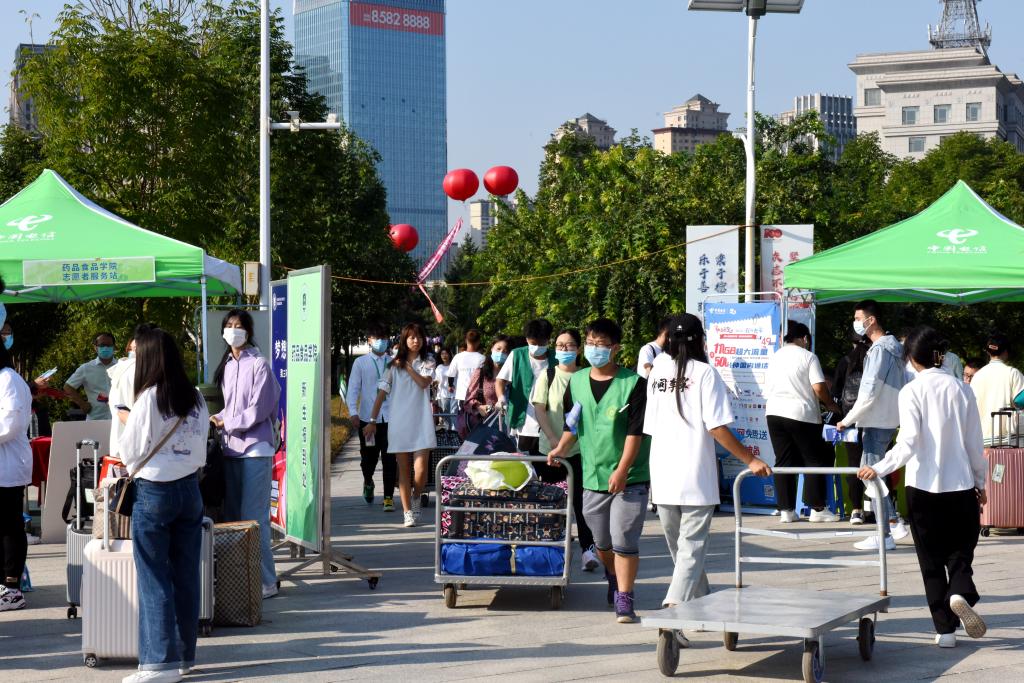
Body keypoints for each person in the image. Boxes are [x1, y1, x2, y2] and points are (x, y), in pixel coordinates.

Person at [858, 326, 987, 649]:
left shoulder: (911, 391)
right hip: (960, 485)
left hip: (921, 487)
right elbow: (975, 443)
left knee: (930, 561)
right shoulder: (962, 389)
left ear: (912, 358)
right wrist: (981, 482)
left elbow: (908, 443)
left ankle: (945, 631)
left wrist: (879, 467)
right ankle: (960, 592)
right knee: (960, 551)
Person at [643, 314, 771, 627]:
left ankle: (702, 605)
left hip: (662, 473)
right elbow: (717, 427)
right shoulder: (705, 373)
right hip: (695, 475)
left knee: (683, 550)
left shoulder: (656, 371)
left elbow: (650, 425)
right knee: (690, 549)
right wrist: (750, 460)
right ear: (701, 340)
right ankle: (675, 604)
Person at [117, 327, 208, 682]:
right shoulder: (195, 397)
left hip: (155, 490)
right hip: (190, 489)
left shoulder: (148, 397)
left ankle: (159, 663)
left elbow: (129, 450)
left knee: (154, 578)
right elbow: (200, 445)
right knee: (186, 575)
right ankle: (184, 657)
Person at [548, 318, 650, 624]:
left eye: (601, 344)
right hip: (592, 476)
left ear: (615, 348)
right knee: (602, 544)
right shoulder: (577, 381)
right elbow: (572, 424)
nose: (594, 349)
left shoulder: (633, 384)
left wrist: (622, 470)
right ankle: (613, 575)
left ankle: (625, 598)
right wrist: (560, 448)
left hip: (629, 478)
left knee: (624, 540)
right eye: (590, 343)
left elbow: (635, 434)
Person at [210, 310, 280, 599]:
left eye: (239, 326)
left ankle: (267, 582)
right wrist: (218, 417)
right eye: (228, 325)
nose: (233, 330)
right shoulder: (227, 365)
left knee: (254, 518)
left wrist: (227, 422)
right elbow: (231, 406)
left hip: (255, 449)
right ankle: (240, 580)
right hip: (231, 449)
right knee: (233, 517)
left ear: (249, 332)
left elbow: (259, 409)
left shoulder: (259, 364)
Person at [837, 300, 909, 550]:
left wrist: (847, 420)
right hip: (889, 418)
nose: (856, 323)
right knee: (874, 473)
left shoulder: (879, 350)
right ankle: (892, 522)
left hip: (876, 420)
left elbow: (868, 392)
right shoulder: (896, 348)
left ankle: (886, 532)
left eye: (858, 318)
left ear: (871, 320)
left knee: (870, 474)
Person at [531, 328, 599, 573]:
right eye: (559, 345)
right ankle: (552, 550)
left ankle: (588, 550)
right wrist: (553, 441)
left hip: (580, 450)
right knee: (552, 503)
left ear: (578, 349)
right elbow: (540, 409)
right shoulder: (548, 375)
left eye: (569, 345)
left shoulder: (587, 375)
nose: (564, 349)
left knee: (582, 503)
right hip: (549, 450)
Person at [765, 321, 842, 524]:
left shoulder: (775, 357)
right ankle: (817, 509)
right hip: (801, 414)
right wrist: (830, 404)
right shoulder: (808, 356)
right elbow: (819, 387)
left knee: (783, 461)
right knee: (814, 459)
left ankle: (786, 510)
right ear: (805, 338)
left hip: (773, 413)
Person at [364, 323, 437, 528]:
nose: (416, 340)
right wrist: (372, 421)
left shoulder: (428, 360)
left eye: (419, 337)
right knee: (403, 470)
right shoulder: (392, 366)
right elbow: (381, 394)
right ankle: (407, 512)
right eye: (411, 337)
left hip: (421, 421)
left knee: (421, 471)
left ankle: (416, 497)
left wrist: (407, 366)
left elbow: (424, 383)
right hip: (399, 423)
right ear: (404, 340)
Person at [346, 323, 396, 511]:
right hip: (367, 420)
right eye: (377, 338)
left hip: (390, 418)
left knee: (390, 458)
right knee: (369, 458)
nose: (381, 341)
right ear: (369, 340)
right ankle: (368, 480)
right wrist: (353, 412)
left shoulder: (394, 362)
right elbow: (353, 388)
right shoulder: (361, 362)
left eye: (384, 338)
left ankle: (388, 497)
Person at [0, 329, 32, 612]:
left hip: (8, 466)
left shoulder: (8, 378)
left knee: (9, 525)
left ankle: (12, 588)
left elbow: (11, 423)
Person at [496, 319, 555, 452]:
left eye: (541, 343)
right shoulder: (517, 355)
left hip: (552, 421)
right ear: (527, 339)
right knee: (526, 460)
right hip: (525, 420)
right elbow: (500, 380)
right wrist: (501, 397)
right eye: (533, 343)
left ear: (548, 340)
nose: (537, 347)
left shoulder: (556, 357)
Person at [832, 333, 872, 525]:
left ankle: (856, 510)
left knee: (854, 464)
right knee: (876, 464)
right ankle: (875, 508)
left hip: (850, 422)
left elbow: (836, 393)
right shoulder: (875, 362)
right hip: (874, 420)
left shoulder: (845, 362)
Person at [969, 332, 1024, 446]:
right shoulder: (1012, 373)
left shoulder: (977, 376)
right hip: (1009, 442)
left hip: (982, 441)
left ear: (988, 352)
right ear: (1006, 352)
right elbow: (1021, 401)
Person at [108, 325, 152, 462]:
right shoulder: (141, 370)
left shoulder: (121, 370)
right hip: (140, 448)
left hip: (121, 444)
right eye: (131, 349)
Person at [64, 331, 119, 420]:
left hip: (118, 418)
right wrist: (82, 403)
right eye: (102, 345)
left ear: (114, 347)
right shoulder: (86, 368)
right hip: (95, 418)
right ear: (95, 348)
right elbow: (68, 387)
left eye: (109, 345)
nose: (106, 348)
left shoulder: (121, 366)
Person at [461, 336, 509, 437]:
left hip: (509, 428)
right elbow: (468, 401)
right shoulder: (481, 373)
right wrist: (479, 407)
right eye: (498, 349)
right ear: (492, 349)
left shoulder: (513, 375)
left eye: (505, 351)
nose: (501, 353)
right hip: (485, 426)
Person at [447, 330, 485, 408]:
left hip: (462, 394)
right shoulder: (483, 358)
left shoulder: (458, 357)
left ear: (466, 340)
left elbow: (451, 374)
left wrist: (450, 385)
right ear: (478, 342)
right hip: (477, 395)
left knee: (462, 415)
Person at [434, 348, 455, 418]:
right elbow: (437, 379)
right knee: (445, 418)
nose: (444, 356)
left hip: (453, 395)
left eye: (446, 353)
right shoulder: (439, 367)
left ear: (449, 355)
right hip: (442, 395)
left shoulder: (453, 366)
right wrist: (434, 383)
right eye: (442, 354)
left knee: (453, 417)